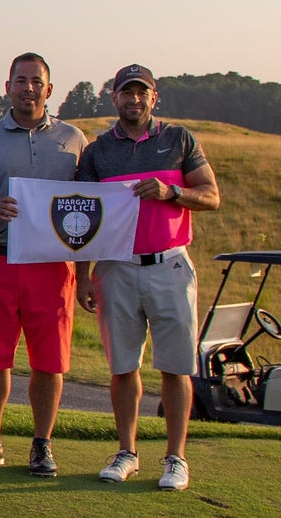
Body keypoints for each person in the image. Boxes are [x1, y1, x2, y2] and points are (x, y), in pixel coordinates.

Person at [77, 64, 220, 491]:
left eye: (142, 93)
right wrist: (82, 276)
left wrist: (171, 191)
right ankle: (127, 452)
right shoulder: (99, 151)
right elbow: (84, 213)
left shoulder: (178, 139)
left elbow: (211, 196)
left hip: (170, 266)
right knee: (123, 366)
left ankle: (176, 458)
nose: (134, 100)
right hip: (116, 268)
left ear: (153, 97)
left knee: (176, 367)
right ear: (114, 98)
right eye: (126, 93)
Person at [0, 53, 87, 477]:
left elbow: (91, 208)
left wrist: (87, 274)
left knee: (50, 361)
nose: (28, 88)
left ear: (49, 90)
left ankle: (42, 444)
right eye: (20, 80)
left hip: (53, 266)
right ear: (7, 86)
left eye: (36, 81)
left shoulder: (74, 140)